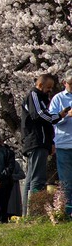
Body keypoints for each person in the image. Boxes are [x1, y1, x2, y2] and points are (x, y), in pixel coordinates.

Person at [22, 73, 69, 195]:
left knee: (32, 177)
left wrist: (51, 142)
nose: (50, 90)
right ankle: (34, 209)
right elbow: (39, 115)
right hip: (36, 140)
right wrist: (58, 116)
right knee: (37, 179)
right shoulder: (34, 95)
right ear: (40, 84)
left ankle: (28, 209)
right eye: (48, 87)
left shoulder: (42, 98)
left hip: (42, 140)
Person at [49, 70, 72, 216]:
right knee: (67, 181)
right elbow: (52, 119)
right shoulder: (58, 98)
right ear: (64, 83)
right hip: (64, 144)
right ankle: (69, 212)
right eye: (71, 84)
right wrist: (66, 116)